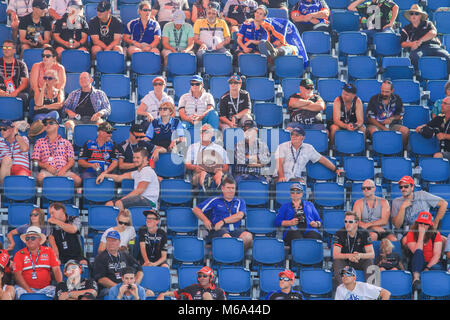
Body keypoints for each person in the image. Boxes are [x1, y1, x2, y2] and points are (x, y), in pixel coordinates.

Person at [193, 176, 253, 249]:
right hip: (218, 230)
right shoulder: (214, 200)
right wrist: (205, 220)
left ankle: (237, 256)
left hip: (235, 230)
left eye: (233, 188)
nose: (231, 190)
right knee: (226, 237)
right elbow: (196, 209)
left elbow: (240, 215)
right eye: (228, 188)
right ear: (222, 188)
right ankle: (231, 257)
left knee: (248, 236)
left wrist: (223, 221)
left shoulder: (240, 201)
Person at [275, 125, 344, 182]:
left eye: (297, 135)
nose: (293, 136)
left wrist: (336, 169)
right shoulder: (282, 146)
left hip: (294, 179)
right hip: (279, 177)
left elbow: (322, 160)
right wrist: (281, 176)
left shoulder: (308, 148)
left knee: (301, 183)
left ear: (303, 137)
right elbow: (279, 163)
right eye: (292, 134)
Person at [391, 175, 448, 244]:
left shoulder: (422, 195)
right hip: (410, 231)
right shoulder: (396, 201)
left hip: (426, 229)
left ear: (412, 187)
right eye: (401, 187)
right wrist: (403, 207)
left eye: (406, 186)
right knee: (405, 241)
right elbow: (397, 225)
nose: (403, 189)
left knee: (445, 241)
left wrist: (435, 223)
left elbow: (444, 203)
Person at [13, 226, 63, 299]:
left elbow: (56, 270)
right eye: (27, 238)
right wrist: (29, 290)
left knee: (58, 291)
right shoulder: (19, 254)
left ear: (39, 240)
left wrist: (60, 285)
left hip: (45, 288)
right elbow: (17, 275)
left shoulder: (49, 251)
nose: (30, 240)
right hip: (25, 288)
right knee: (17, 291)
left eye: (33, 238)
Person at [31, 116, 82, 187]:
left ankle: (67, 196)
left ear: (57, 126)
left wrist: (63, 169)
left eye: (51, 123)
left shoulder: (66, 142)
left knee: (77, 180)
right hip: (47, 170)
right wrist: (47, 166)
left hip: (64, 170)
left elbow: (71, 161)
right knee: (40, 178)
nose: (48, 125)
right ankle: (47, 196)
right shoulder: (39, 142)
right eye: (46, 124)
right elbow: (35, 161)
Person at [92, 230, 143, 299]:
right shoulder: (100, 258)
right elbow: (101, 279)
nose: (111, 243)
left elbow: (140, 270)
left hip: (127, 286)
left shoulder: (125, 255)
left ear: (119, 242)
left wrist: (134, 285)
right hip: (108, 288)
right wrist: (119, 288)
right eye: (109, 240)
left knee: (148, 292)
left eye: (114, 240)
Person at [400, 4, 450, 74]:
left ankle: (447, 78)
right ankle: (419, 76)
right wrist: (412, 44)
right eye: (411, 14)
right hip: (419, 49)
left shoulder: (428, 23)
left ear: (420, 16)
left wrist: (420, 41)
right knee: (414, 56)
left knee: (447, 56)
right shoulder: (406, 28)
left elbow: (433, 32)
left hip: (433, 46)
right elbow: (402, 44)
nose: (413, 15)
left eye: (416, 13)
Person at [332, 211, 375, 285]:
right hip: (345, 261)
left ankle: (372, 291)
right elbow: (335, 255)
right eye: (345, 221)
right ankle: (344, 290)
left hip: (359, 260)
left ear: (357, 223)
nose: (347, 224)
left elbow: (372, 254)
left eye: (350, 222)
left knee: (369, 261)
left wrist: (359, 255)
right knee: (337, 261)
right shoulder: (339, 233)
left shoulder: (364, 233)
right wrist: (349, 256)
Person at [405, 211, 444, 291]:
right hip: (417, 262)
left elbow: (437, 255)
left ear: (430, 225)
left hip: (432, 263)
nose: (423, 226)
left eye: (426, 224)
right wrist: (421, 235)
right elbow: (416, 252)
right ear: (417, 223)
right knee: (418, 254)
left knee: (436, 269)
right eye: (421, 223)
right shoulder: (411, 233)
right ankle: (416, 279)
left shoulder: (436, 234)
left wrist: (427, 268)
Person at [275, 183, 322, 247]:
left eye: (298, 192)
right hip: (292, 230)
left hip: (309, 229)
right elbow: (277, 222)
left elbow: (319, 220)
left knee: (314, 237)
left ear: (302, 193)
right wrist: (289, 222)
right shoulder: (285, 206)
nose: (295, 194)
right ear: (290, 193)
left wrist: (316, 224)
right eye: (292, 192)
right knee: (296, 238)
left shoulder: (310, 205)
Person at [185, 123, 230, 189]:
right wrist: (195, 167)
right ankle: (207, 188)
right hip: (198, 173)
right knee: (203, 174)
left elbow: (226, 166)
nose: (203, 134)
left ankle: (218, 188)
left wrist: (221, 169)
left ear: (212, 134)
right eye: (202, 132)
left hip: (215, 173)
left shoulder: (219, 148)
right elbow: (187, 164)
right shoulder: (193, 147)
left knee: (220, 174)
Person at [366, 79, 409, 148]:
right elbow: (370, 119)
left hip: (393, 125)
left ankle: (400, 152)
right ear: (380, 88)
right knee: (374, 131)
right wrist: (383, 128)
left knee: (405, 131)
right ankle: (379, 151)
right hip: (377, 125)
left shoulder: (397, 99)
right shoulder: (374, 99)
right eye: (382, 91)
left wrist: (392, 118)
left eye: (387, 92)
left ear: (392, 91)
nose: (384, 94)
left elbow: (400, 115)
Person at [157, 266, 226, 300]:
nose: (201, 278)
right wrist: (163, 294)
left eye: (205, 276)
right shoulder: (192, 288)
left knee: (206, 295)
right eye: (199, 276)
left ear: (211, 278)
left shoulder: (219, 291)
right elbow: (175, 293)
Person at [416, 96, 450, 161]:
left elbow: (444, 136)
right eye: (442, 103)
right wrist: (421, 128)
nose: (442, 105)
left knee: (437, 156)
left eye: (445, 103)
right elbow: (427, 126)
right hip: (441, 149)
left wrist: (445, 136)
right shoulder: (440, 118)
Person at [0, 40, 30, 107]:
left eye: (9, 48)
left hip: (15, 91)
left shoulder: (21, 64)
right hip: (1, 91)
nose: (6, 50)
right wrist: (1, 92)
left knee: (25, 96)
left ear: (14, 51)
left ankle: (24, 116)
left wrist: (16, 92)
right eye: (4, 48)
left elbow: (24, 83)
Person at [0, 120, 31, 185]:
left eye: (4, 129)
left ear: (12, 129)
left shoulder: (22, 138)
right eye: (0, 129)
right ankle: (2, 190)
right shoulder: (0, 141)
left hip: (21, 168)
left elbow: (24, 149)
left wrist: (16, 134)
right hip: (5, 169)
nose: (1, 132)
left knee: (23, 175)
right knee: (7, 159)